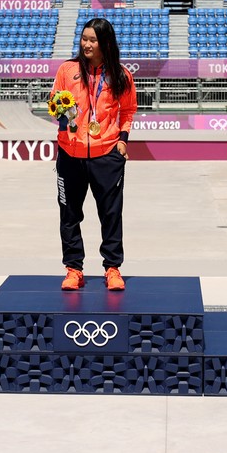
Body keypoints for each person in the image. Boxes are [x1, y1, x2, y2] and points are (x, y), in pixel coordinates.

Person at [51, 17, 137, 291]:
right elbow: (54, 101)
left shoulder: (121, 75)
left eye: (92, 40)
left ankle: (112, 269)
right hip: (70, 153)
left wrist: (122, 142)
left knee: (111, 214)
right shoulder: (67, 70)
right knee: (69, 214)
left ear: (105, 43)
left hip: (106, 155)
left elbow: (128, 110)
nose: (86, 44)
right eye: (84, 38)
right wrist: (63, 112)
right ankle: (73, 269)